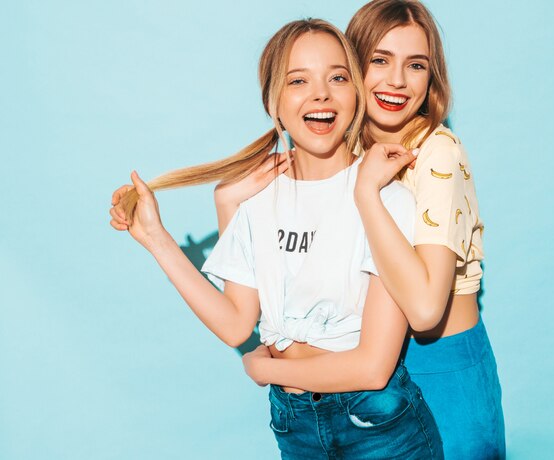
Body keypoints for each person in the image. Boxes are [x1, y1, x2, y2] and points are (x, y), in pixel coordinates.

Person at [110, 18, 443, 460]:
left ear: (357, 95)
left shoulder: (385, 198)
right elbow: (234, 322)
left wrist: (262, 367)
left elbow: (373, 366)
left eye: (338, 77)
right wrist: (156, 238)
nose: (321, 93)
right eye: (298, 80)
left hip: (380, 427)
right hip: (294, 426)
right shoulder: (257, 202)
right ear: (274, 103)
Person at [225, 2, 506, 458]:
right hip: (365, 378)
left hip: (441, 365)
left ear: (431, 79)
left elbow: (423, 310)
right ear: (351, 70)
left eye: (416, 65)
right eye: (379, 60)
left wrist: (365, 194)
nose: (397, 81)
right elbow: (276, 277)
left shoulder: (437, 154)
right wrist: (229, 201)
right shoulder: (341, 145)